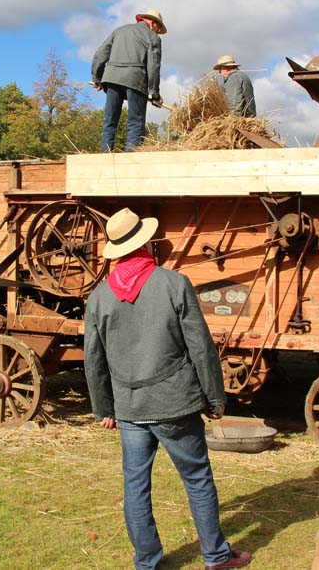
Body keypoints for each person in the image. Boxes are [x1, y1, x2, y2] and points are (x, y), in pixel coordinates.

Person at [84, 208, 252, 570]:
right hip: (176, 404)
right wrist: (215, 397)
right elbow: (200, 345)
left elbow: (93, 359)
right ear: (145, 243)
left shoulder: (99, 298)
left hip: (129, 409)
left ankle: (147, 563)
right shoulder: (174, 283)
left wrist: (104, 409)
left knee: (136, 487)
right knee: (196, 479)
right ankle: (217, 557)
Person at [91, 10, 166, 152]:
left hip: (112, 78)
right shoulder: (153, 37)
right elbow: (154, 66)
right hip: (136, 80)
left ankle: (105, 155)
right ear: (153, 23)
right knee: (135, 123)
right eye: (158, 28)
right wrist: (154, 93)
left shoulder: (119, 31)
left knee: (109, 121)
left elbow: (100, 54)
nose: (157, 31)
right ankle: (131, 160)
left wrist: (97, 78)